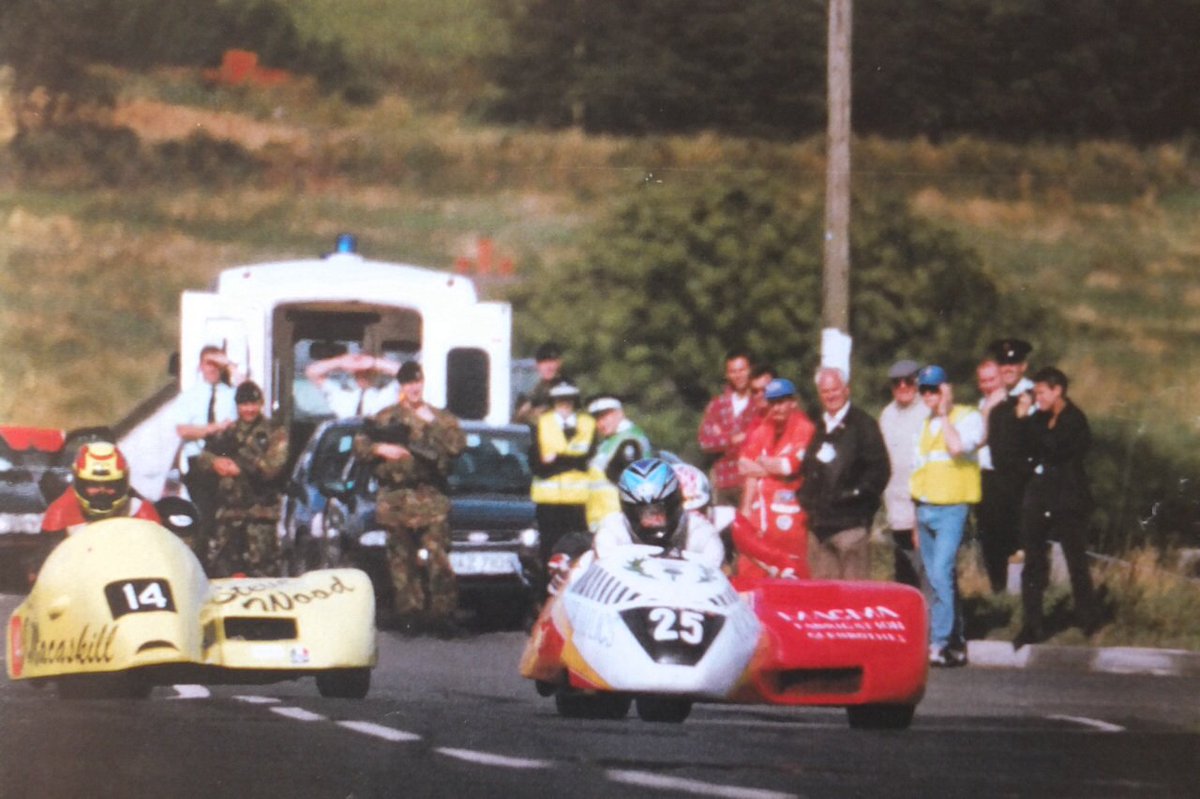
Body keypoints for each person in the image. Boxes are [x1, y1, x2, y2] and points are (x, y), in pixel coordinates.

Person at [355, 361, 466, 634]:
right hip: (396, 497)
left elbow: (457, 445)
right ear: (401, 386)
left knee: (438, 557)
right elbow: (360, 444)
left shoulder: (440, 417)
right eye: (408, 383)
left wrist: (432, 423)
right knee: (401, 561)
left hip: (430, 497)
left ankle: (442, 614)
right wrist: (381, 449)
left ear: (423, 383)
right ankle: (409, 614)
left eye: (417, 382)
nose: (413, 388)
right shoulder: (386, 417)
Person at [1014, 367, 1100, 649]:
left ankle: (1087, 618)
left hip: (1068, 498)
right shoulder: (1038, 418)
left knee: (1076, 560)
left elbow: (1055, 448)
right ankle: (1032, 624)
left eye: (1041, 393)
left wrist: (1028, 424)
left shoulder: (1075, 420)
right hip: (1039, 496)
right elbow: (1024, 447)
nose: (1037, 398)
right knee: (1034, 561)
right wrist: (1023, 422)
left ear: (1057, 390)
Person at [909, 365, 985, 667]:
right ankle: (955, 640)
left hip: (952, 507)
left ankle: (938, 642)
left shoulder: (967, 417)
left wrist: (944, 414)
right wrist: (915, 518)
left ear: (946, 389)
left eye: (934, 389)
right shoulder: (924, 425)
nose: (929, 396)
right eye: (924, 391)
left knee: (941, 573)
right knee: (937, 578)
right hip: (925, 508)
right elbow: (918, 472)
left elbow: (956, 448)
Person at [799, 367, 890, 580]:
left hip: (850, 528)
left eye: (835, 390)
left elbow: (880, 471)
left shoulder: (864, 425)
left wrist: (855, 498)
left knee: (854, 593)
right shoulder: (819, 426)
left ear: (846, 390)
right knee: (823, 594)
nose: (831, 396)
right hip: (820, 529)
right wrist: (806, 499)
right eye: (825, 391)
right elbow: (808, 468)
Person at [199, 381, 290, 577]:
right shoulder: (228, 432)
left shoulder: (274, 432)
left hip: (260, 516)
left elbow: (272, 468)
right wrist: (216, 462)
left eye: (253, 404)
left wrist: (240, 466)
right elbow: (203, 457)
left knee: (262, 572)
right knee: (224, 571)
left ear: (261, 404)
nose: (249, 409)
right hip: (230, 516)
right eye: (244, 404)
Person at [735, 378, 816, 580]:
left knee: (792, 575)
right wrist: (746, 509)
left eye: (781, 402)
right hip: (760, 519)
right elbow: (743, 465)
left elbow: (790, 466)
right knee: (751, 574)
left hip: (790, 520)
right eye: (772, 403)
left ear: (792, 402)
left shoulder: (804, 428)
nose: (776, 408)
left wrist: (762, 464)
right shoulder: (763, 429)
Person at [592, 458, 725, 570]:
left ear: (675, 503)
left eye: (659, 510)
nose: (653, 521)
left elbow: (716, 579)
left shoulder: (700, 533)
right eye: (644, 513)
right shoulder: (612, 532)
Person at [979, 338, 1036, 594]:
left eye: (1014, 362)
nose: (1008, 368)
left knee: (1022, 541)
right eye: (1003, 363)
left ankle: (1023, 596)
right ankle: (999, 594)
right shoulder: (991, 398)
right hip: (992, 478)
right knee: (992, 539)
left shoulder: (1034, 395)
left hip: (1021, 479)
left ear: (1023, 366)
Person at [174, 345, 238, 558]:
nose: (213, 369)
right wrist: (213, 428)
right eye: (208, 364)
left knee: (227, 520)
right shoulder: (189, 396)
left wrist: (229, 365)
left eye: (217, 365)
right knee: (203, 518)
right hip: (199, 463)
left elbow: (250, 395)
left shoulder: (231, 395)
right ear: (200, 366)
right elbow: (183, 430)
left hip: (225, 460)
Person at [530, 381, 598, 566]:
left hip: (579, 501)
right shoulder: (542, 423)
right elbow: (537, 464)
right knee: (549, 551)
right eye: (560, 401)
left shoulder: (588, 424)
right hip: (549, 502)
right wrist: (571, 461)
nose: (565, 405)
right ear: (553, 402)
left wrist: (557, 460)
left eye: (569, 400)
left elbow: (587, 460)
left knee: (578, 551)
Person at [878, 359, 930, 590]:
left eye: (908, 381)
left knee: (927, 569)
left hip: (922, 503)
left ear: (917, 382)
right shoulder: (887, 414)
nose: (902, 387)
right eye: (896, 383)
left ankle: (934, 613)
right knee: (903, 569)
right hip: (896, 505)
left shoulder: (927, 411)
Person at [698, 350, 759, 508]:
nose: (738, 376)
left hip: (751, 481)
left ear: (751, 370)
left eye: (742, 370)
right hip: (723, 482)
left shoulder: (759, 403)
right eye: (733, 371)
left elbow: (759, 438)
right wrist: (732, 439)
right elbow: (705, 442)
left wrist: (722, 436)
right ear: (727, 374)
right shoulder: (718, 405)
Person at [585, 396, 652, 528]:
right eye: (597, 418)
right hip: (604, 518)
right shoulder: (610, 441)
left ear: (619, 413)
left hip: (619, 518)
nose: (601, 423)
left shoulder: (629, 440)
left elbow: (632, 484)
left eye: (605, 416)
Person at [304, 350, 400, 418]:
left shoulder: (387, 395)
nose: (362, 375)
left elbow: (404, 372)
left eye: (367, 371)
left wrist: (373, 362)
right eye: (358, 372)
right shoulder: (341, 397)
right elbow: (312, 372)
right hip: (347, 439)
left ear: (375, 372)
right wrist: (341, 362)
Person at [514, 341, 565, 425]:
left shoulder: (564, 387)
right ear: (537, 365)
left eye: (552, 362)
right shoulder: (539, 388)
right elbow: (520, 414)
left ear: (559, 363)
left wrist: (532, 413)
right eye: (544, 362)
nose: (548, 367)